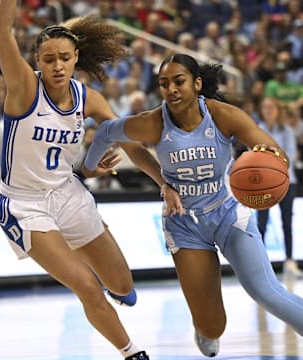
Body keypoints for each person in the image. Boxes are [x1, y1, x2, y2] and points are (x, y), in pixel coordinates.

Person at [83, 53, 303, 357]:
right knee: (213, 327)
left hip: (228, 213)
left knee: (266, 292)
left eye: (179, 81)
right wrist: (89, 167)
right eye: (164, 84)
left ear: (197, 84)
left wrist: (264, 164)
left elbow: (276, 153)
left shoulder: (223, 114)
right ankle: (204, 328)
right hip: (184, 222)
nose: (171, 89)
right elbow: (107, 131)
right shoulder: (153, 123)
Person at [0, 1, 173, 359]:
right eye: (48, 59)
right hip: (24, 204)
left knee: (123, 286)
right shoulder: (24, 88)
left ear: (76, 58)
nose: (56, 66)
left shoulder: (88, 99)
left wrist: (163, 183)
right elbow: (2, 31)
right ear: (37, 63)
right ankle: (132, 352)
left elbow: (131, 147)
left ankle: (86, 269)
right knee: (88, 287)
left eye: (63, 57)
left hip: (69, 195)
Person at [256, 96, 302, 278]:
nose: (268, 110)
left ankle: (289, 260)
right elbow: (254, 154)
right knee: (261, 224)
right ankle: (260, 264)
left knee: (287, 223)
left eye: (271, 107)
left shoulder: (287, 131)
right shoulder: (258, 129)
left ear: (277, 110)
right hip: (264, 184)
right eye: (265, 107)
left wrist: (271, 163)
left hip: (286, 183)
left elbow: (290, 156)